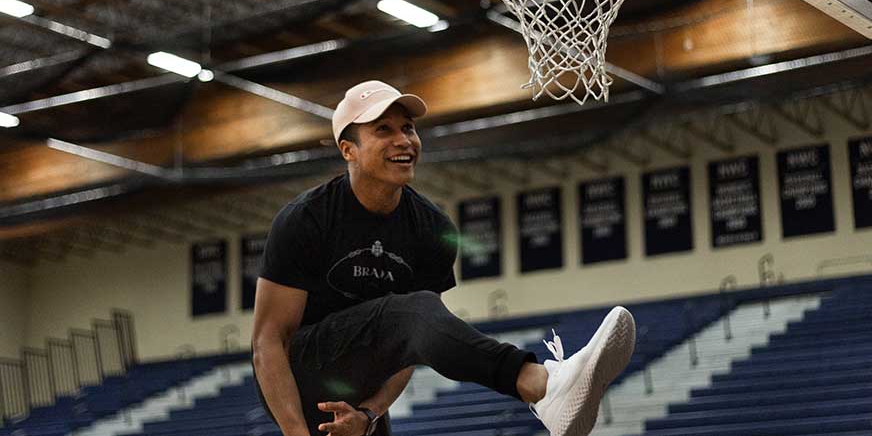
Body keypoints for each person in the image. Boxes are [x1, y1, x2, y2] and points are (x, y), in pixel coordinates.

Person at [251, 80, 636, 436]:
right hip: (301, 374)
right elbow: (269, 341)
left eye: (409, 128)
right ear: (348, 150)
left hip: (363, 385)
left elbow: (414, 342)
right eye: (383, 130)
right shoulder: (307, 218)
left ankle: (544, 387)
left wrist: (369, 416)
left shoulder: (430, 228)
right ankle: (540, 383)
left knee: (416, 314)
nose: (404, 140)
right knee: (415, 309)